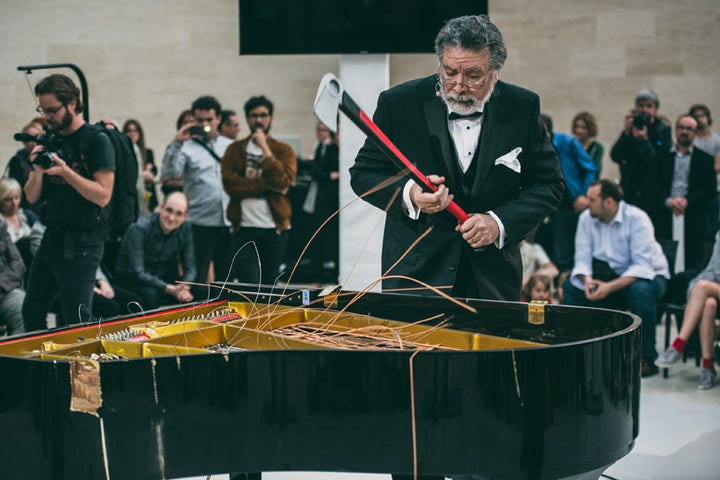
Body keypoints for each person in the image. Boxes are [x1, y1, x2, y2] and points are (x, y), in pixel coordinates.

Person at [350, 15, 564, 303]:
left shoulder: (522, 107)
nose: (459, 85)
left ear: (495, 72)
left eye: (473, 76)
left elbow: (549, 185)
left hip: (493, 278)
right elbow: (363, 174)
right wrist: (410, 195)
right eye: (449, 72)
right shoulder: (399, 103)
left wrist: (498, 223)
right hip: (416, 275)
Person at [22, 74, 115, 331]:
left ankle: (77, 371)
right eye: (43, 110)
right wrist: (38, 169)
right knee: (32, 311)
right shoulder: (51, 138)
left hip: (83, 241)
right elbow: (30, 197)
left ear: (72, 103)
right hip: (52, 236)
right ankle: (40, 370)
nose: (47, 117)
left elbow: (103, 194)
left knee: (75, 320)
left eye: (52, 110)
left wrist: (65, 172)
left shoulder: (96, 140)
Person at [562, 180, 670, 377]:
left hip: (650, 276)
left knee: (640, 291)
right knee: (571, 287)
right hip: (608, 276)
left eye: (592, 199)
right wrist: (588, 282)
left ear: (609, 202)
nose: (587, 202)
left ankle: (645, 358)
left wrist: (608, 288)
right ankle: (578, 352)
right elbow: (582, 260)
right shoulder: (586, 218)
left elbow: (642, 267)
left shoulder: (637, 218)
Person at [221, 95, 297, 286]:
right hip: (243, 227)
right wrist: (267, 185)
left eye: (264, 115)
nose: (259, 120)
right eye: (254, 115)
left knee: (270, 284)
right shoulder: (235, 149)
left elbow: (283, 180)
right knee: (250, 284)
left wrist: (264, 148)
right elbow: (231, 185)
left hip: (275, 228)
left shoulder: (283, 150)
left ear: (270, 118)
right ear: (247, 118)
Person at [161, 96, 233, 297]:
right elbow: (170, 173)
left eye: (209, 120)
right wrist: (176, 142)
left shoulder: (229, 146)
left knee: (226, 277)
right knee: (199, 277)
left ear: (218, 118)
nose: (205, 125)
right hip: (199, 222)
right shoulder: (186, 147)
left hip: (228, 220)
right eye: (200, 120)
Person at [656, 231, 720, 390]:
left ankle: (678, 345)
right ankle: (708, 368)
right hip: (715, 289)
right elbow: (711, 272)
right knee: (708, 305)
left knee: (702, 286)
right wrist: (694, 291)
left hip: (712, 286)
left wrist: (699, 288)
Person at [652, 114, 716, 271]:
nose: (684, 132)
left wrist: (687, 200)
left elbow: (710, 188)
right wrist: (668, 201)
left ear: (695, 133)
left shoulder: (705, 159)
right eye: (681, 128)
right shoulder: (661, 156)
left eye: (689, 129)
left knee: (691, 260)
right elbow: (652, 184)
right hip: (664, 216)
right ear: (676, 130)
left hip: (693, 216)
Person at [114, 192, 196, 310]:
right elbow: (137, 272)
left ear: (184, 217)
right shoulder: (139, 228)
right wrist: (168, 288)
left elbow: (190, 267)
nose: (172, 218)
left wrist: (185, 287)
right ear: (161, 208)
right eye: (169, 210)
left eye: (178, 214)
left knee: (201, 292)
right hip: (132, 281)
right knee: (151, 296)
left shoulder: (186, 228)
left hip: (161, 277)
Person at [540, 113, 597, 275]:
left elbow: (590, 168)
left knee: (575, 246)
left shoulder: (568, 143)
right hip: (552, 203)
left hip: (573, 201)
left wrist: (583, 194)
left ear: (550, 132)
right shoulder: (536, 146)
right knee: (557, 247)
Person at [610, 88, 672, 215]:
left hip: (653, 191)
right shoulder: (631, 130)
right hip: (630, 187)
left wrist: (644, 141)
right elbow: (615, 156)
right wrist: (626, 134)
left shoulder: (663, 130)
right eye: (641, 106)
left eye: (649, 106)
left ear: (655, 110)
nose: (645, 110)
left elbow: (658, 162)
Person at [303, 121, 340, 284]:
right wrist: (330, 175)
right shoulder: (321, 147)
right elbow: (315, 171)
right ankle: (317, 276)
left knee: (335, 238)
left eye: (323, 129)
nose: (320, 132)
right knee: (318, 237)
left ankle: (334, 275)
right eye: (318, 129)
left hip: (335, 198)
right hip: (323, 197)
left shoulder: (337, 148)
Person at [0, 178, 44, 274]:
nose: (14, 203)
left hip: (32, 266)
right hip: (8, 270)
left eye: (16, 198)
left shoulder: (28, 216)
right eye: (8, 199)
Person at [688, 104, 720, 237]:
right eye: (696, 117)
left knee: (712, 226)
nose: (700, 119)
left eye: (702, 116)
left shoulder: (716, 141)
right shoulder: (692, 140)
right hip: (695, 190)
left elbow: (718, 166)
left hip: (714, 190)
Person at [6, 119, 45, 214]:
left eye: (36, 137)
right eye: (29, 138)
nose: (33, 141)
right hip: (27, 209)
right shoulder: (17, 161)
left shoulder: (47, 157)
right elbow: (16, 190)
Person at [123, 119, 158, 213]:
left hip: (147, 192)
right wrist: (143, 174)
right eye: (129, 131)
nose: (132, 134)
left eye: (135, 131)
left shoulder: (147, 152)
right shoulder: (123, 153)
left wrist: (150, 172)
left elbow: (154, 171)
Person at [0, 221, 26, 336]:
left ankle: (10, 353)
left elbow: (18, 264)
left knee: (27, 312)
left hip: (5, 289)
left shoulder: (1, 227)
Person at [160, 109, 193, 197]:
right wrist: (177, 142)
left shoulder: (202, 147)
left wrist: (182, 181)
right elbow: (167, 175)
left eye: (191, 122)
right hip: (175, 195)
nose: (188, 126)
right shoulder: (173, 146)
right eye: (185, 123)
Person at [572, 111, 604, 176]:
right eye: (577, 127)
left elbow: (596, 169)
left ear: (590, 129)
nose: (579, 131)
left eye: (584, 128)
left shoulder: (596, 147)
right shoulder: (570, 145)